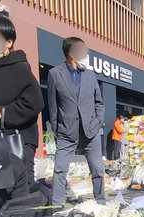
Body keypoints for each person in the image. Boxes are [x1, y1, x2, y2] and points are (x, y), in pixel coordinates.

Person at [0, 14, 44, 184]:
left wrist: (3, 113)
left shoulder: (18, 67)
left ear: (8, 42)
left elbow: (34, 102)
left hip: (14, 141)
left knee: (19, 192)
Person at [47, 36, 106, 206]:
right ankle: (56, 206)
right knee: (60, 170)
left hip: (91, 130)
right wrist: (55, 128)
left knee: (97, 169)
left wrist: (98, 121)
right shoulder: (55, 74)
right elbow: (52, 104)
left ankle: (101, 203)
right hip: (66, 131)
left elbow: (99, 102)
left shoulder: (90, 75)